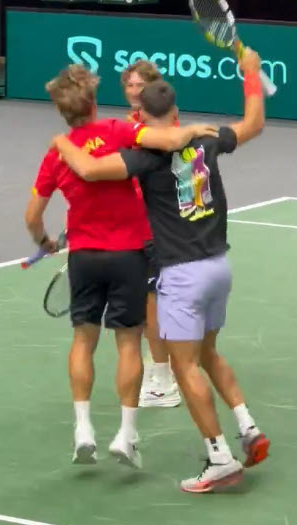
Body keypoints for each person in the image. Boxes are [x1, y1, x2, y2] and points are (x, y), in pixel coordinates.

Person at [50, 49, 270, 492]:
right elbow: (254, 124)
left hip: (182, 276)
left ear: (142, 116)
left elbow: (90, 169)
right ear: (176, 109)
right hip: (218, 267)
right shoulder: (207, 139)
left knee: (185, 367)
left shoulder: (144, 157)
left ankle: (220, 457)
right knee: (209, 354)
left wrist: (60, 142)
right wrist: (251, 75)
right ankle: (247, 427)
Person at [24, 64, 217, 469]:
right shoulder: (116, 130)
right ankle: (127, 436)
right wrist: (193, 131)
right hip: (129, 254)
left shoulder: (57, 153)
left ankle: (83, 429)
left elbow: (33, 216)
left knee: (82, 341)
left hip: (84, 258)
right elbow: (165, 139)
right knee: (128, 343)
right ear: (92, 102)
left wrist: (44, 242)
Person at [121, 60, 180, 407]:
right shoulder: (136, 126)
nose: (133, 91)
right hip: (136, 225)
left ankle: (162, 380)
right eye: (129, 85)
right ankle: (166, 370)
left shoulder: (159, 128)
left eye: (140, 85)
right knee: (151, 305)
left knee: (152, 305)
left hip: (155, 227)